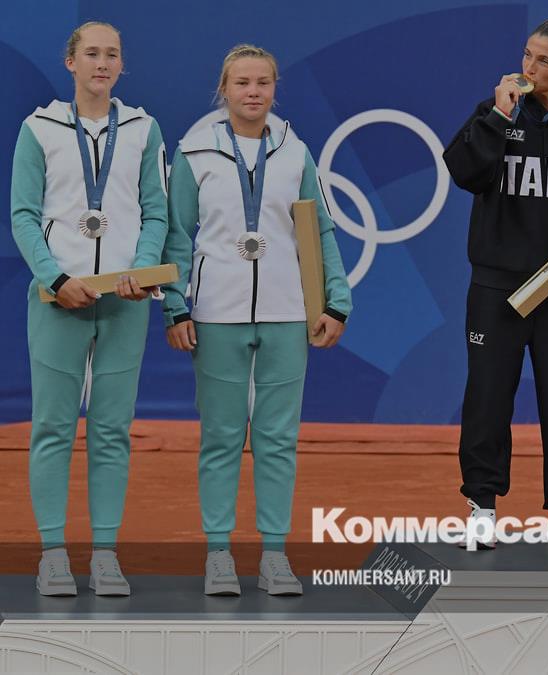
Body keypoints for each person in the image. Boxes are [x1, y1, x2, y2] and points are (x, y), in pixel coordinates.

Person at [162, 44, 352, 595]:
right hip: (216, 314)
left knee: (277, 439)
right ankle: (218, 554)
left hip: (286, 312)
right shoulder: (195, 152)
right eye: (242, 83)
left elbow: (319, 230)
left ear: (274, 88)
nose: (252, 92)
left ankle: (274, 555)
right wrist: (175, 304)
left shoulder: (295, 152)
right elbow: (176, 234)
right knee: (221, 437)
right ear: (223, 88)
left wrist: (335, 300)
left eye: (262, 83)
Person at [442, 10, 548, 549]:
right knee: (488, 397)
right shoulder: (496, 111)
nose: (529, 67)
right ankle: (482, 508)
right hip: (497, 286)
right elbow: (464, 171)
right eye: (527, 55)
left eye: (544, 61)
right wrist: (499, 115)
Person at [11, 21, 168, 597]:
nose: (103, 63)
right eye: (92, 53)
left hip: (125, 302)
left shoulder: (144, 129)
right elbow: (23, 215)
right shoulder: (39, 128)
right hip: (58, 299)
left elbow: (156, 211)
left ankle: (105, 553)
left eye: (112, 55)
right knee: (52, 428)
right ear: (70, 62)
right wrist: (55, 278)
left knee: (111, 431)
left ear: (122, 65)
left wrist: (141, 271)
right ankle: (53, 554)